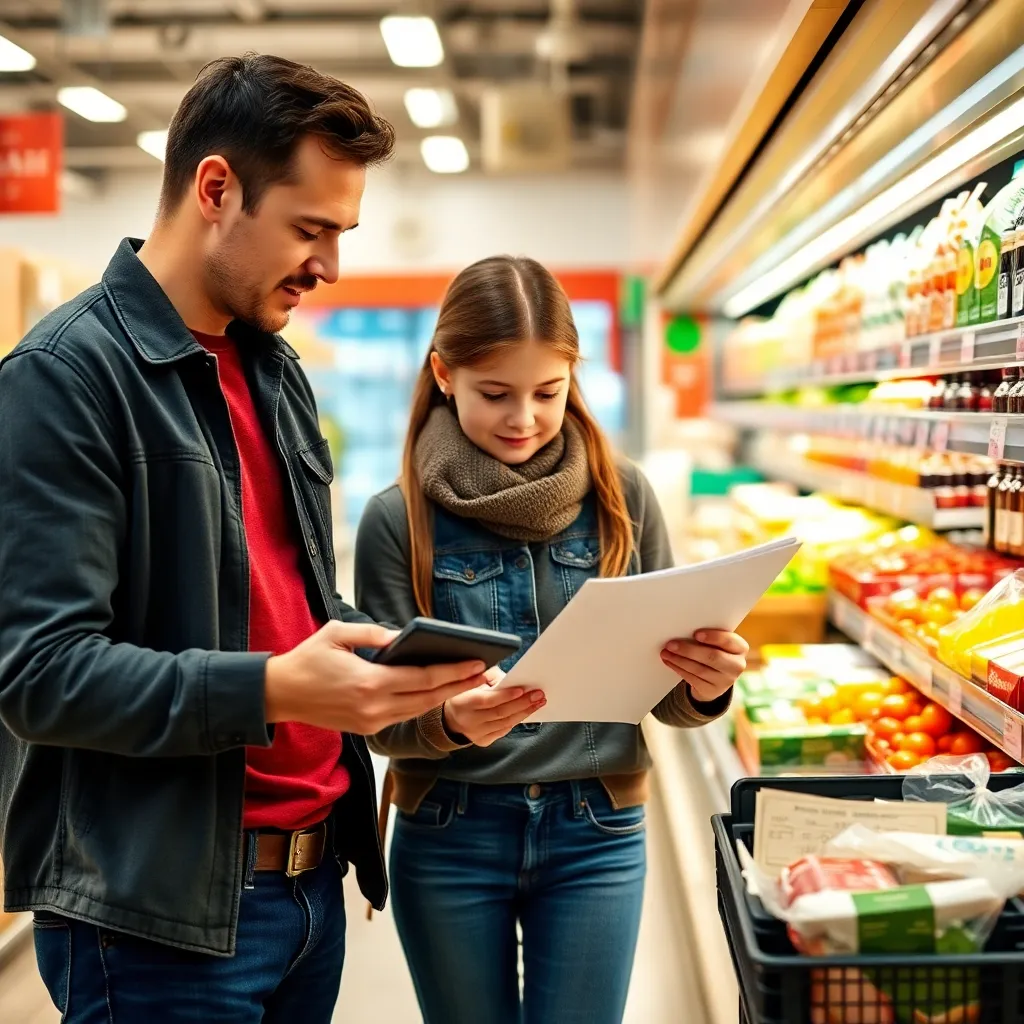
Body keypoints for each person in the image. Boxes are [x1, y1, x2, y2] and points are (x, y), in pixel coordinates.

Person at [0, 54, 490, 1024]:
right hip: (156, 923)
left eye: (341, 234)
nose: (330, 266)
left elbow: (300, 608)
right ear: (215, 188)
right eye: (311, 230)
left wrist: (425, 698)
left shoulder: (274, 372)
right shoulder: (64, 379)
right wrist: (270, 686)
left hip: (310, 890)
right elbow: (37, 671)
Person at [354, 255, 749, 1024]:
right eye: (494, 393)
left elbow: (666, 697)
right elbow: (375, 713)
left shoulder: (622, 496)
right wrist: (445, 721)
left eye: (548, 392)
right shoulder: (398, 520)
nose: (524, 419)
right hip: (450, 830)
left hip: (596, 829)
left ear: (575, 376)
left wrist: (706, 681)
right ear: (443, 373)